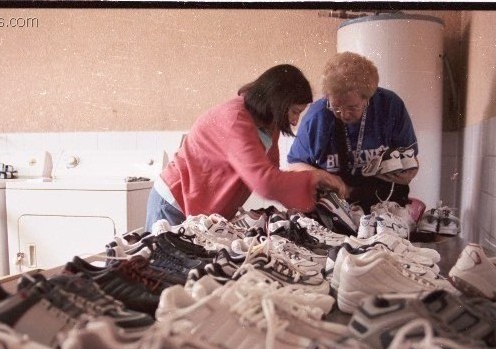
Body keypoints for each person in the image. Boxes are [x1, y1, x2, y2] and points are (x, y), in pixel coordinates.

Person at [145, 64, 347, 231]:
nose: (295, 122)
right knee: (163, 273)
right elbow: (265, 182)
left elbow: (272, 173)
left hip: (202, 208)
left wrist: (301, 209)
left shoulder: (269, 124)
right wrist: (314, 178)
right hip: (174, 204)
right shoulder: (235, 119)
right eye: (294, 112)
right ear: (278, 102)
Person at [287, 51, 419, 210]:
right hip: (335, 205)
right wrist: (323, 177)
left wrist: (405, 172)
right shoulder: (317, 116)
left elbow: (411, 160)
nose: (343, 114)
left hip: (384, 204)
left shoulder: (390, 106)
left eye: (352, 107)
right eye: (336, 106)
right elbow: (295, 164)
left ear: (368, 98)